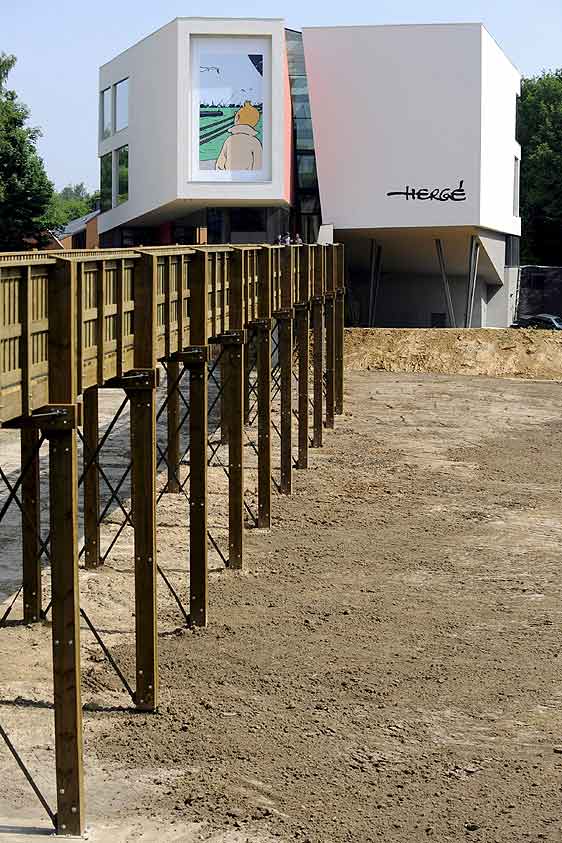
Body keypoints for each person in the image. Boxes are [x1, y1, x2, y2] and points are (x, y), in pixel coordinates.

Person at [216, 101, 263, 171]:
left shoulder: (229, 140)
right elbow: (258, 166)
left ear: (237, 118)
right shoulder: (255, 142)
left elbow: (220, 165)